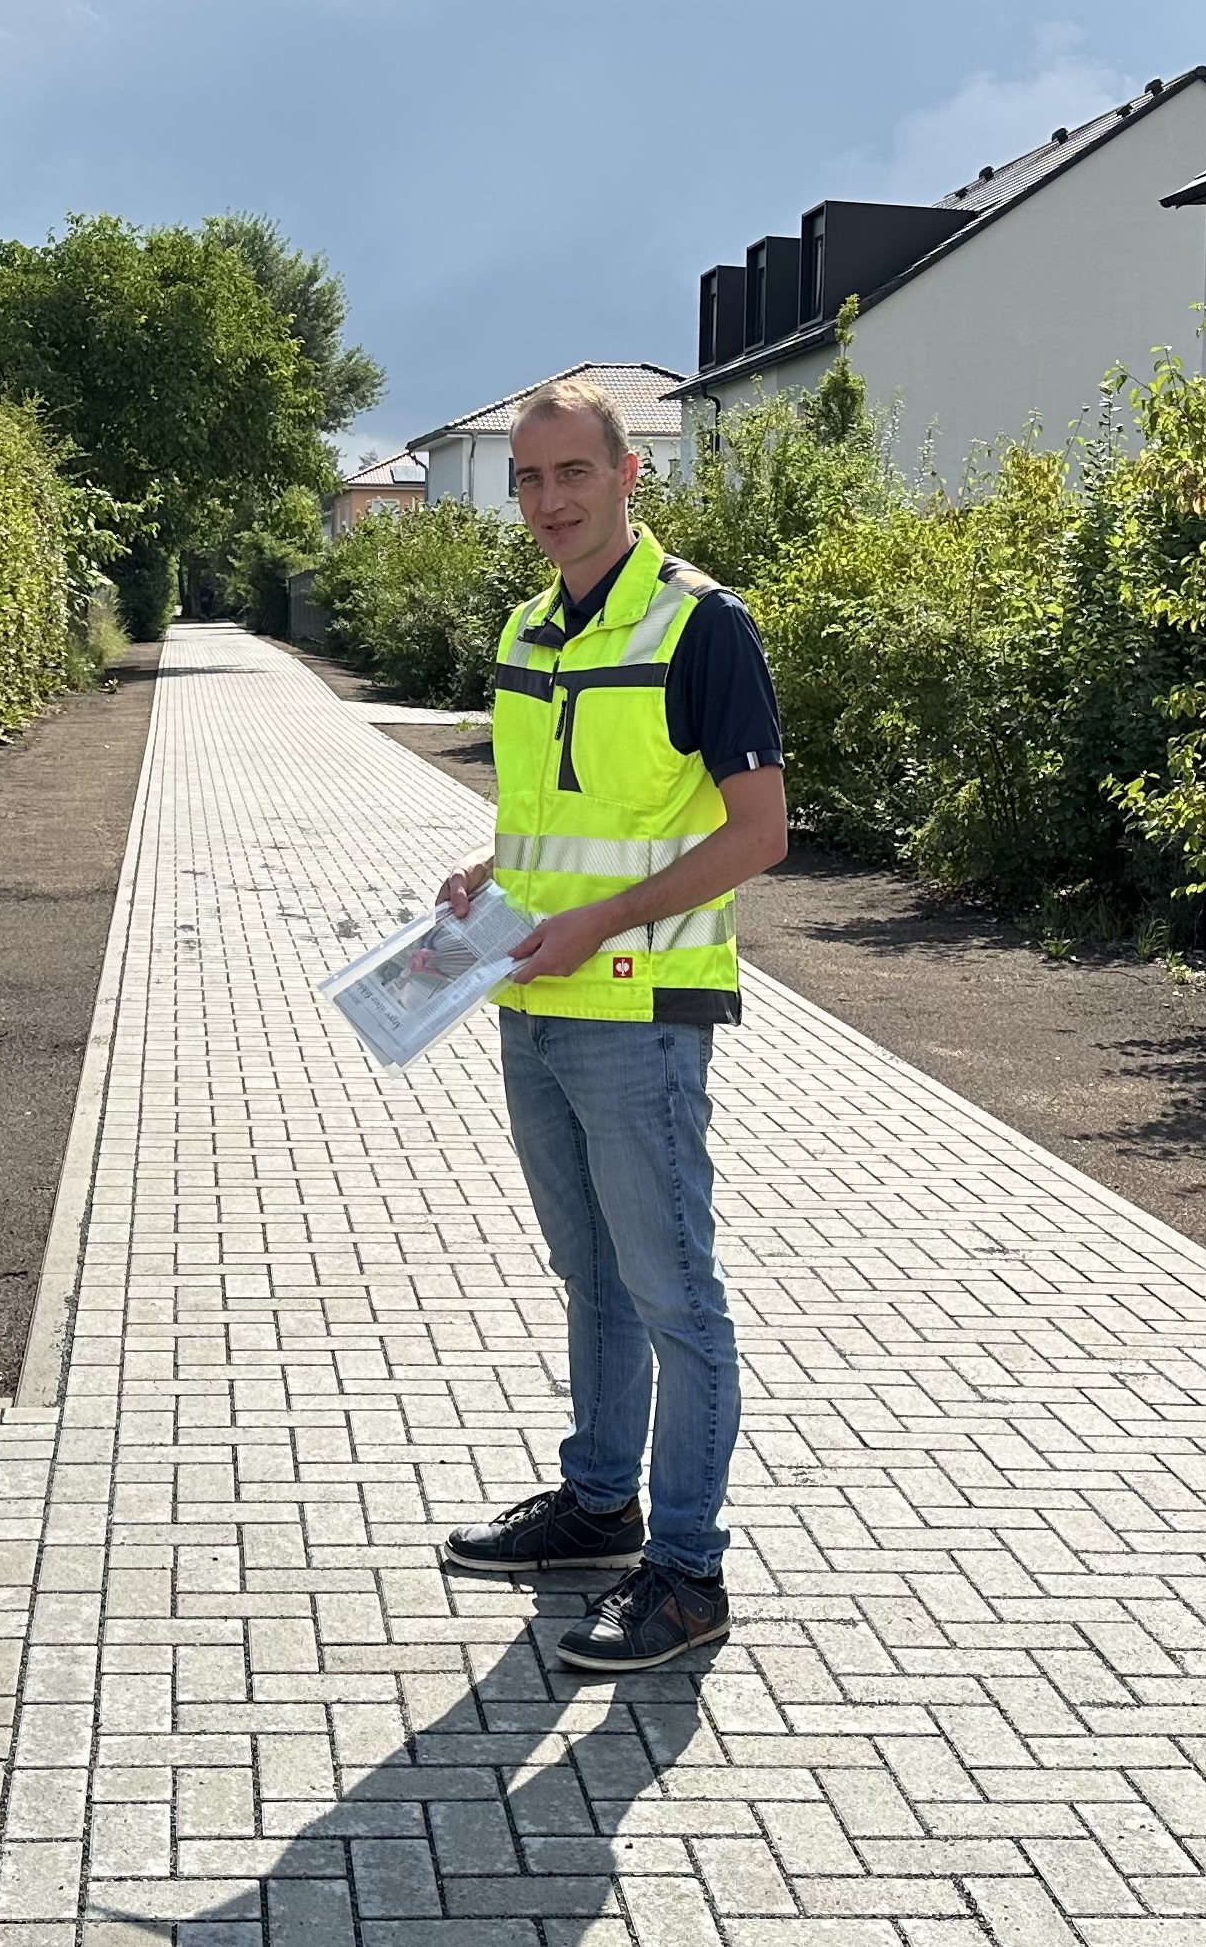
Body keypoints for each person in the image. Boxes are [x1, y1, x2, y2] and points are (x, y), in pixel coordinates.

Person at [433, 377, 788, 1670]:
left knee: (673, 1294)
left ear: (630, 475)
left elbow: (760, 833)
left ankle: (688, 1575)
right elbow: (564, 815)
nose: (548, 501)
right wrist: (494, 875)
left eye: (572, 472)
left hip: (639, 1013)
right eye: (528, 479)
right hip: (532, 998)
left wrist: (604, 922)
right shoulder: (529, 629)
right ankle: (598, 1507)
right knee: (589, 1276)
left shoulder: (702, 625)